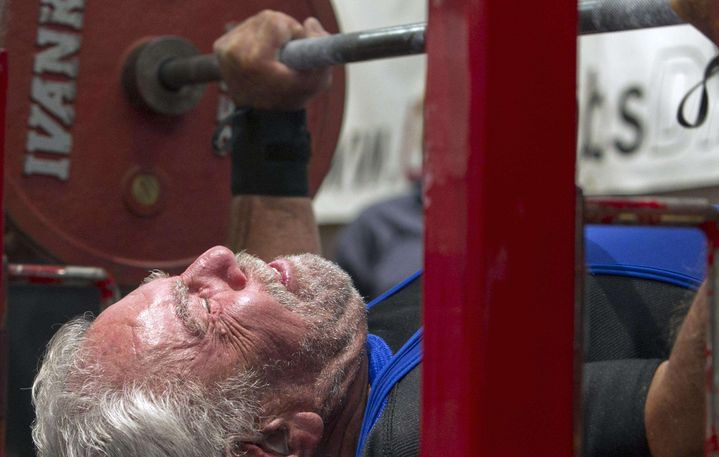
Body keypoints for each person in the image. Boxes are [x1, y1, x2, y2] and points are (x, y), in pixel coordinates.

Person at [30, 8, 716, 457]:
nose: (214, 257)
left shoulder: (339, 390)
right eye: (201, 311)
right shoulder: (432, 434)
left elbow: (282, 276)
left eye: (177, 278)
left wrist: (270, 121)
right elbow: (680, 422)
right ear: (275, 439)